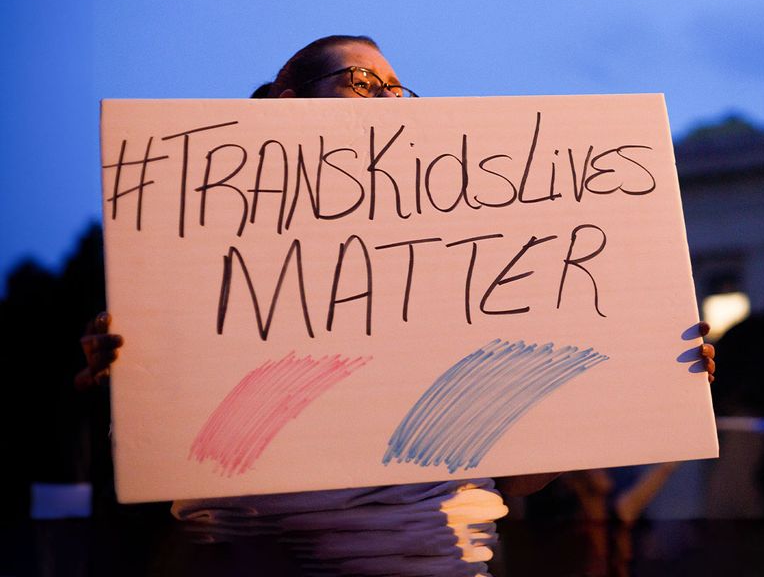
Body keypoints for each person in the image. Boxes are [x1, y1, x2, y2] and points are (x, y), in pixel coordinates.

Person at [79, 34, 716, 575]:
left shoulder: (462, 253)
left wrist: (648, 376)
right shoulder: (198, 244)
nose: (388, 97)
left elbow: (518, 478)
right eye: (361, 81)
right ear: (285, 103)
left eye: (398, 89)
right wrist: (124, 384)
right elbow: (149, 457)